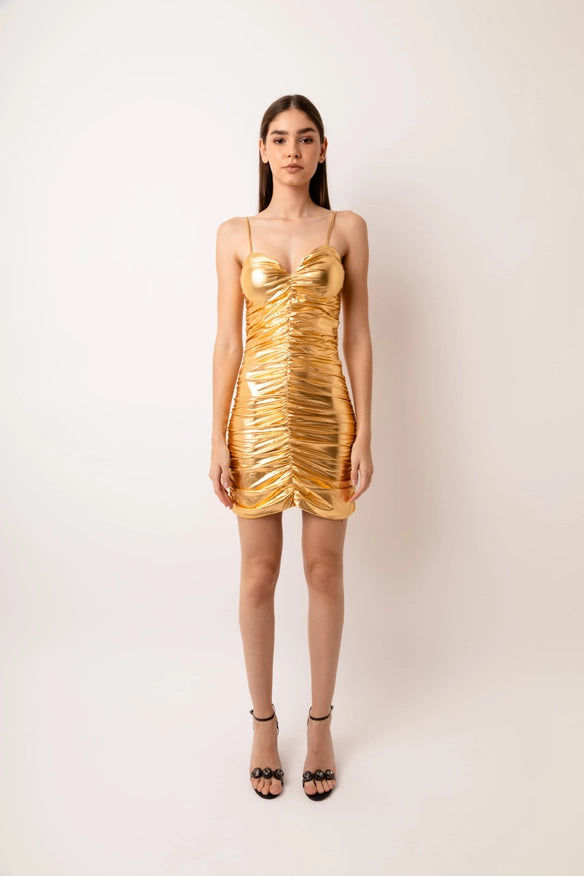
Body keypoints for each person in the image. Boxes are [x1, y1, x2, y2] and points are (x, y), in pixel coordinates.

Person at [209, 94, 373, 801]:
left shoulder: (347, 227)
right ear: (262, 150)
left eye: (305, 138)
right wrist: (216, 436)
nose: (293, 150)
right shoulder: (235, 232)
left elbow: (358, 334)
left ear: (323, 149)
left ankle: (321, 724)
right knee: (257, 576)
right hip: (255, 419)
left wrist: (366, 430)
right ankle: (263, 725)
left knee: (324, 573)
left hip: (327, 416)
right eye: (279, 139)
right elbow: (228, 341)